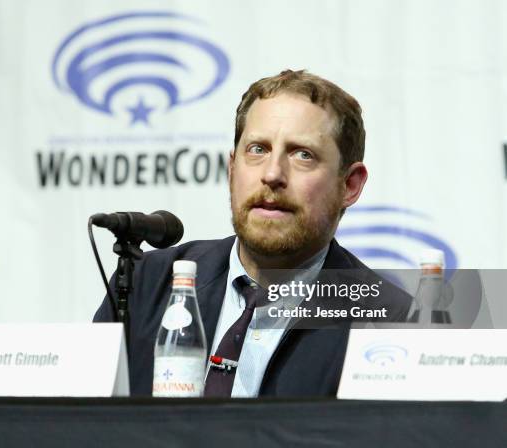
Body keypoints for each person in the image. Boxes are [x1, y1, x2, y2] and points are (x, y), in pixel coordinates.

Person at [94, 69, 411, 397]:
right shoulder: (146, 283)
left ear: (350, 185)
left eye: (303, 154)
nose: (272, 174)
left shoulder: (389, 322)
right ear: (232, 170)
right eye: (257, 149)